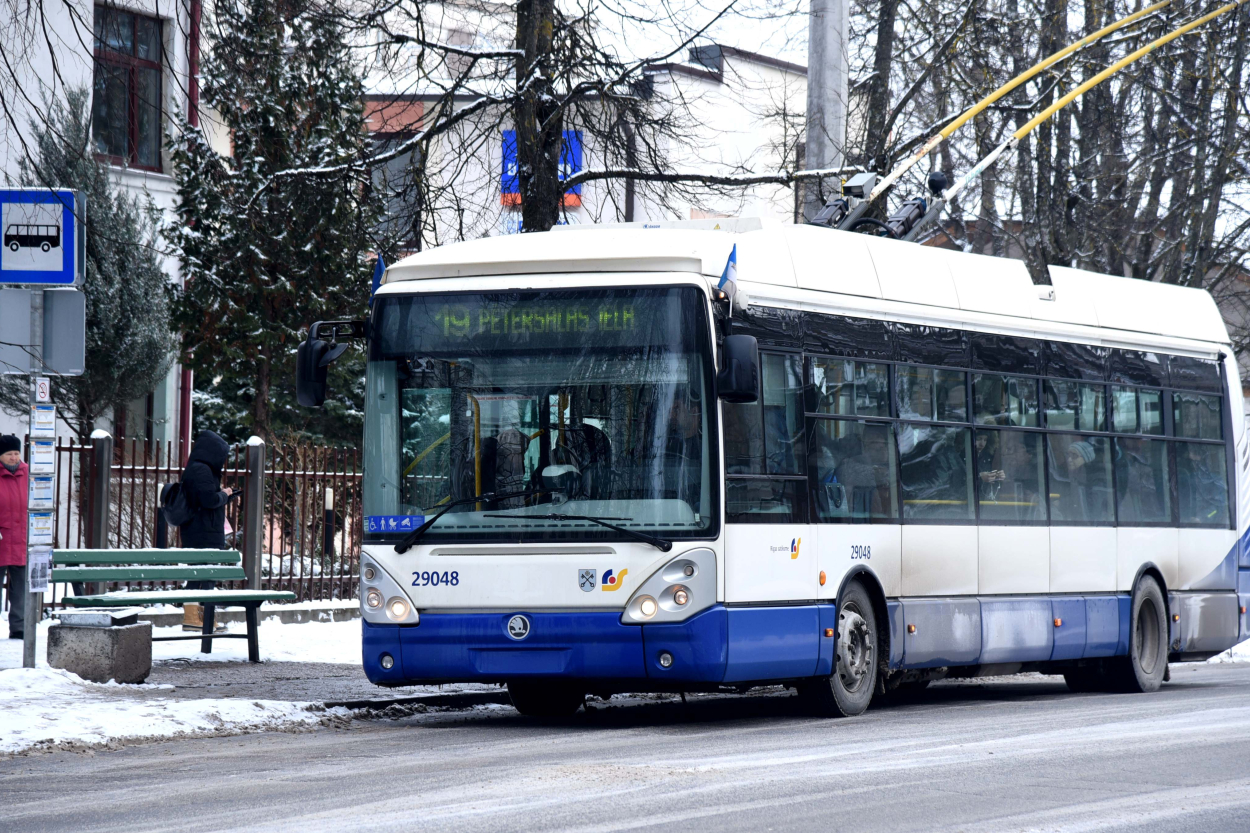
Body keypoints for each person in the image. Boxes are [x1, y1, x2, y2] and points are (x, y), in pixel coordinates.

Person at [177, 431, 235, 629]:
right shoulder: (201, 470)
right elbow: (209, 500)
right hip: (203, 532)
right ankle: (200, 618)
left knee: (201, 576)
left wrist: (226, 495)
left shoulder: (198, 468)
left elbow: (204, 499)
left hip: (201, 531)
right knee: (206, 576)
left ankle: (199, 618)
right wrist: (225, 494)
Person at [0, 435, 29, 639]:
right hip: (1, 538)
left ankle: (19, 627)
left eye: (16, 453)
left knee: (21, 588)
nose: (13, 457)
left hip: (21, 539)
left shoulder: (29, 473)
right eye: (9, 453)